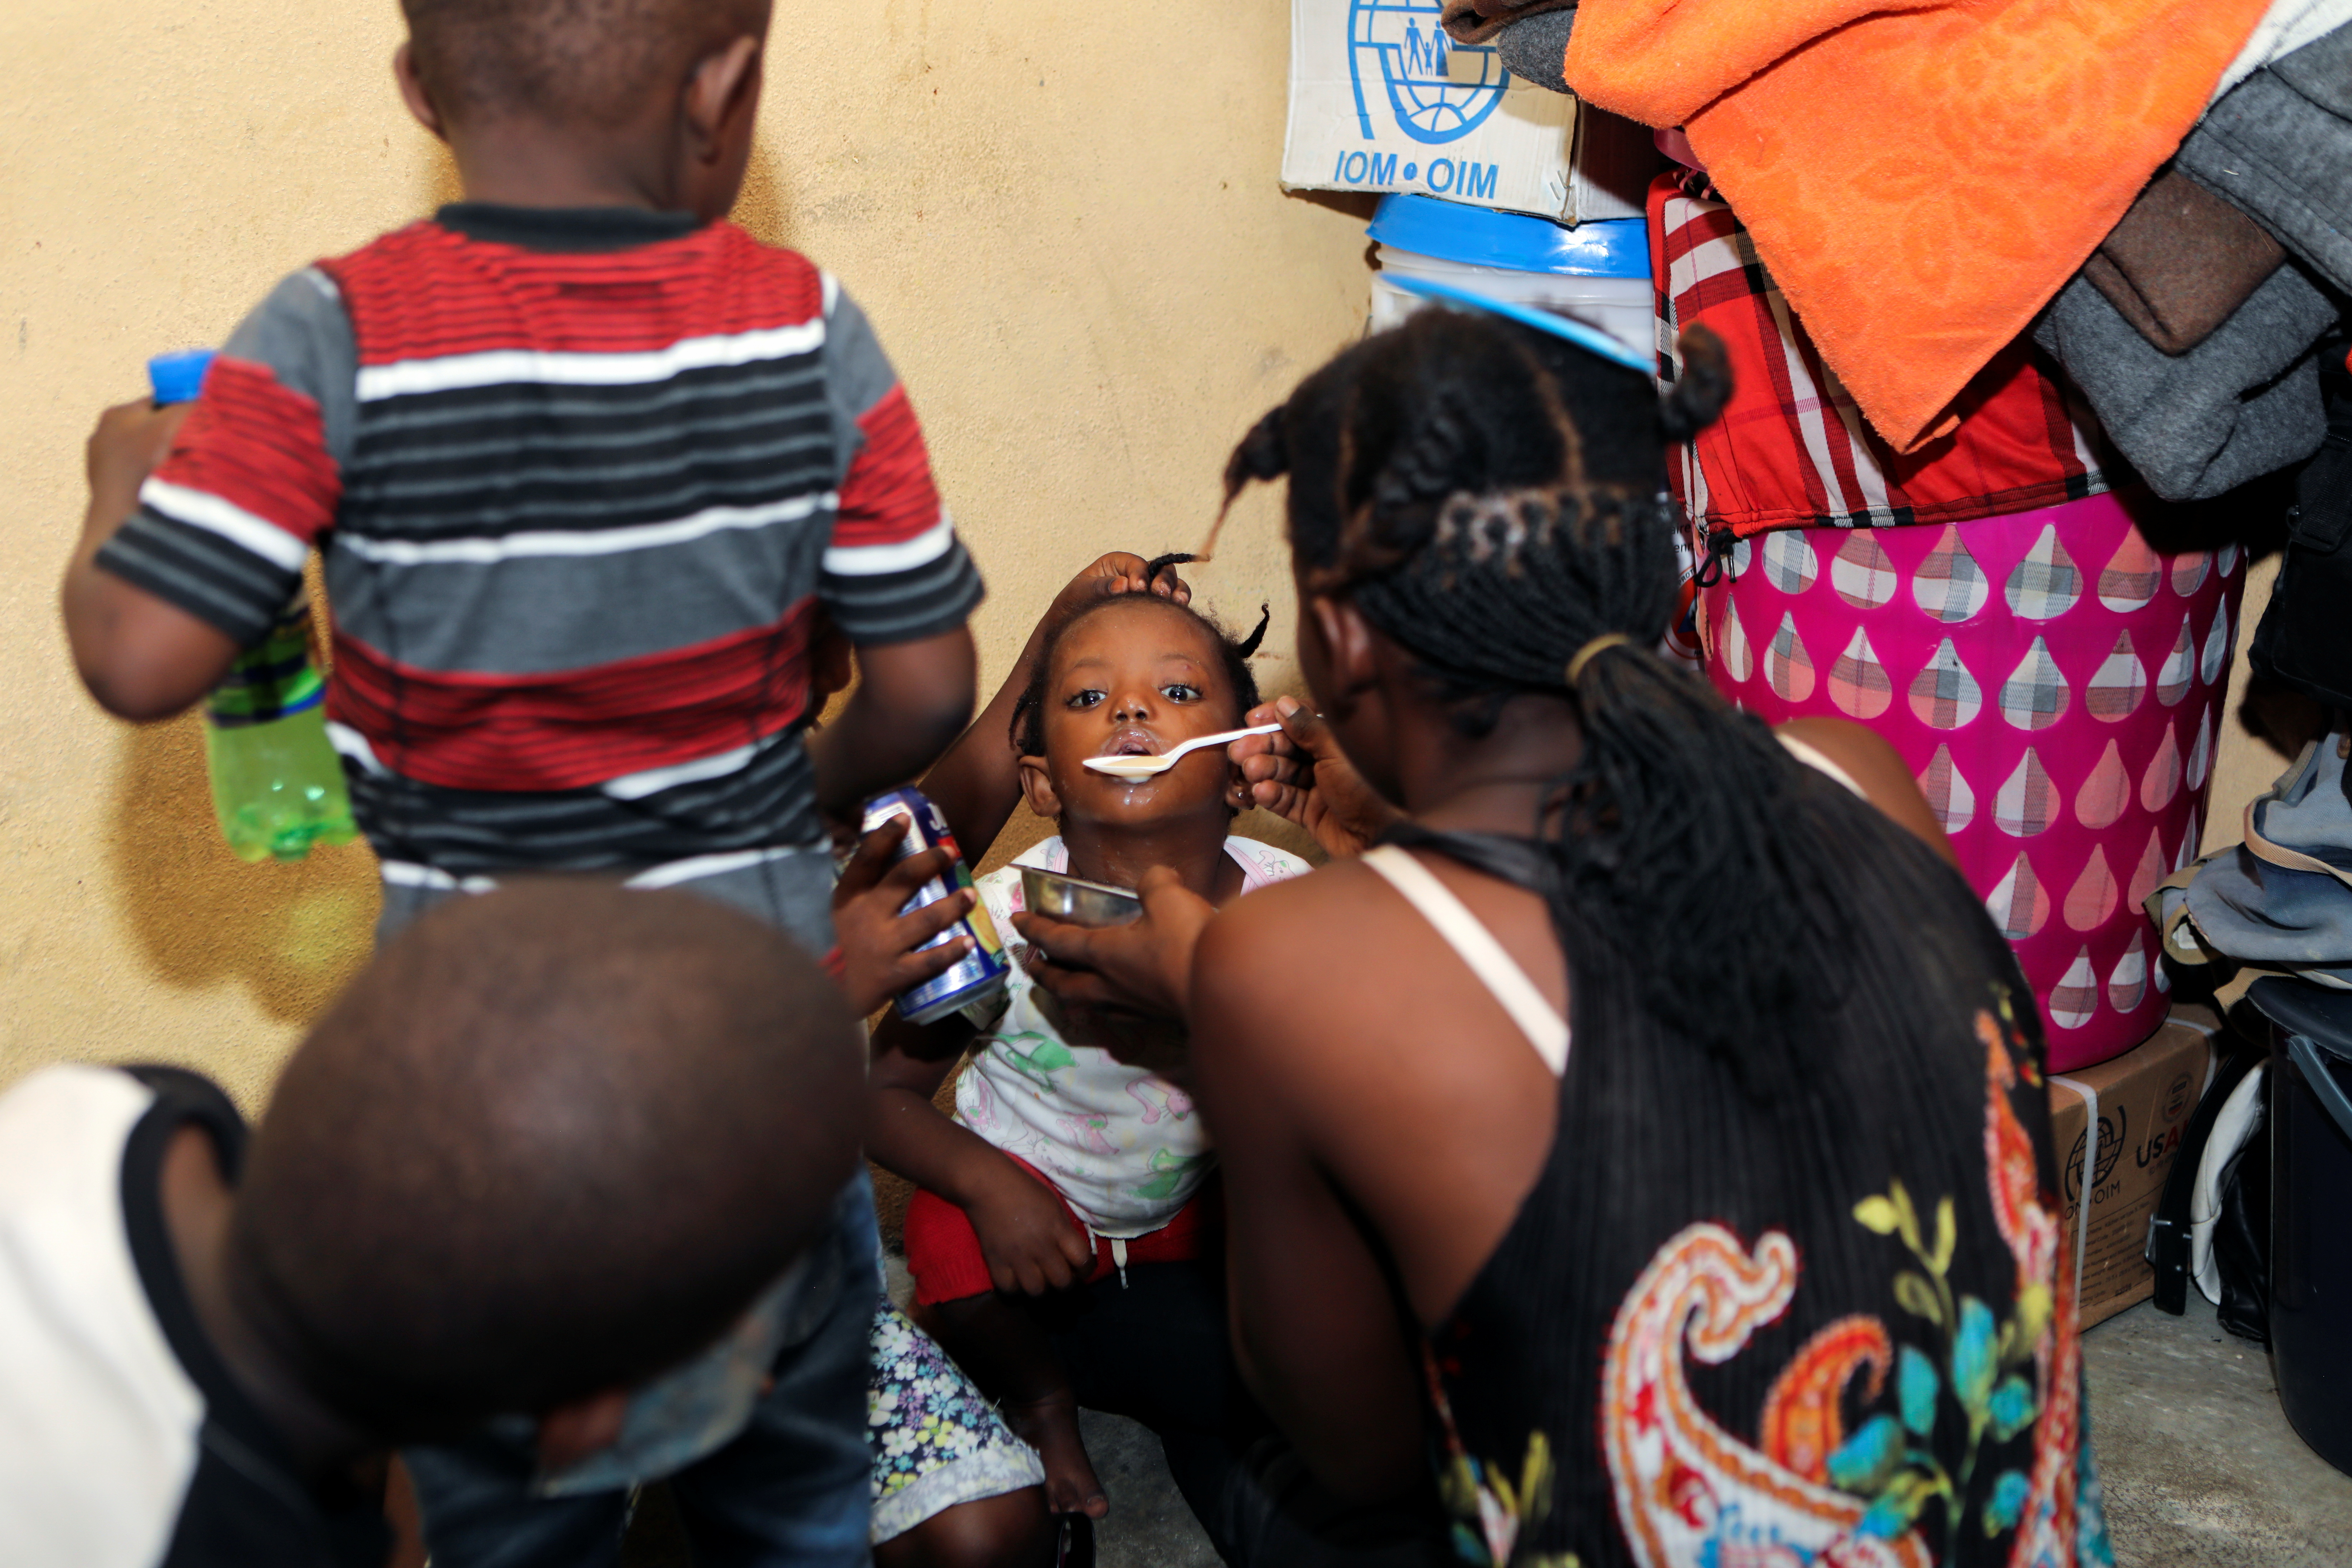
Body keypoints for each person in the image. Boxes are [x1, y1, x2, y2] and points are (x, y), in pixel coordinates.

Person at [51, 0, 1052, 1558]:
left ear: (417, 87)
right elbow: (923, 682)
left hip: (482, 1093)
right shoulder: (802, 321)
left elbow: (138, 659)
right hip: (758, 1074)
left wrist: (128, 470)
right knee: (791, 1492)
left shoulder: (329, 329)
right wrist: (786, 795)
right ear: (725, 90)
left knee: (509, 1514)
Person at [1016, 305, 2115, 1567]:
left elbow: (1360, 1447)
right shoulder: (1850, 772)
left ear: (1343, 639)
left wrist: (1214, 1008)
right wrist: (1393, 841)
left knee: (1289, 1504)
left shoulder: (1277, 965)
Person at [0, 882, 864, 1568]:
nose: (756, 1386)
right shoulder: (198, 1539)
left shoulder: (117, 1111)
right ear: (588, 1423)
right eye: (738, 1346)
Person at [865, 553, 1310, 1542]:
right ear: (1037, 779)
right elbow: (878, 1095)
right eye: (1089, 696)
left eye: (1179, 690)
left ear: (1245, 763)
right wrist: (991, 1185)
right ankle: (1041, 1404)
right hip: (1027, 1198)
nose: (1130, 712)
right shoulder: (993, 921)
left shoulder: (1287, 900)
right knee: (944, 1233)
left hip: (1185, 1211)